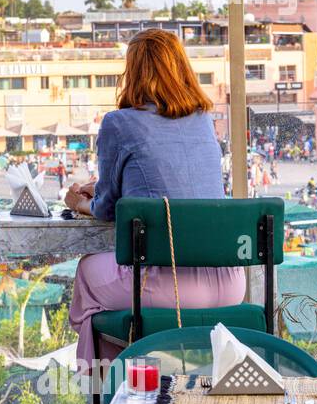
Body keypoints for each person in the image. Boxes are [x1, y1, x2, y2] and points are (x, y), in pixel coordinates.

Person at [63, 30, 245, 370]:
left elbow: (105, 209)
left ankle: (114, 394)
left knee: (89, 274)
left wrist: (79, 202)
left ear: (132, 72)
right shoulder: (204, 121)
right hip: (230, 284)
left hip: (170, 287)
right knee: (108, 300)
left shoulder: (118, 123)